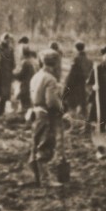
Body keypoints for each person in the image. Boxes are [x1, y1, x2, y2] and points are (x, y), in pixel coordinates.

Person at [27, 50, 65, 187]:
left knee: (35, 144)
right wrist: (62, 109)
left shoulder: (36, 76)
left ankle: (36, 177)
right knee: (45, 145)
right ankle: (45, 180)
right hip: (46, 115)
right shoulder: (50, 79)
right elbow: (52, 102)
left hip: (36, 113)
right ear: (55, 63)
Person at [62, 41, 92, 122]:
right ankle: (84, 122)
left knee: (72, 105)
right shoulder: (89, 61)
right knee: (83, 105)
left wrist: (66, 88)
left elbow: (72, 75)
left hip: (75, 87)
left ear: (76, 49)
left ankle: (74, 123)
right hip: (84, 86)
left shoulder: (76, 59)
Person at [16, 48, 39, 114]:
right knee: (30, 102)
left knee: (24, 103)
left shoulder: (25, 62)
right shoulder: (35, 61)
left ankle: (23, 117)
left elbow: (20, 74)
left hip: (25, 84)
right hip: (34, 84)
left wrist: (13, 74)